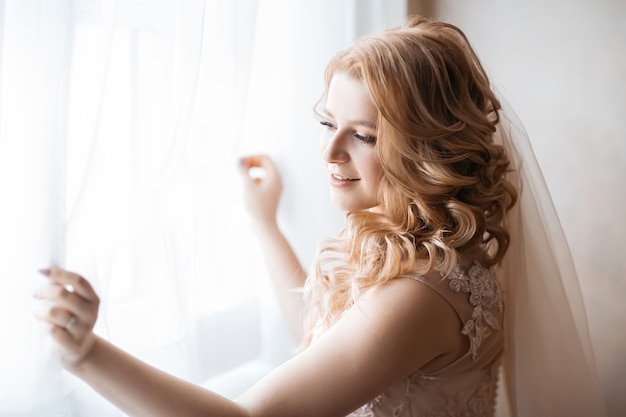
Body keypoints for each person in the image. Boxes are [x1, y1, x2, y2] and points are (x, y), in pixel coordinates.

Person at [34, 15, 606, 417]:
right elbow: (325, 345)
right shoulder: (429, 256)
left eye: (362, 136)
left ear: (427, 152)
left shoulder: (419, 295)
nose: (330, 154)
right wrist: (266, 225)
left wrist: (87, 354)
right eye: (328, 124)